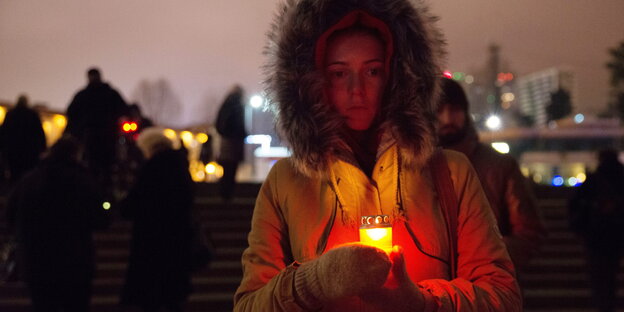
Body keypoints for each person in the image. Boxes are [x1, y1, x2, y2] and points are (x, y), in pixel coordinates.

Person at [234, 0, 521, 311]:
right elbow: (249, 304)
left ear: (397, 76)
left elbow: (501, 296)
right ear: (312, 82)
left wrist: (422, 302)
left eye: (372, 70)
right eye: (340, 73)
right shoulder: (286, 182)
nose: (357, 89)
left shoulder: (451, 173)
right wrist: (310, 283)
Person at [436, 78, 546, 270]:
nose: (447, 119)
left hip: (489, 289)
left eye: (454, 110)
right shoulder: (413, 166)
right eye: (438, 111)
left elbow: (529, 233)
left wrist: (485, 257)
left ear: (465, 113)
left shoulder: (500, 166)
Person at [6, 135, 106, 312]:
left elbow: (10, 213)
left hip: (36, 259)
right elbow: (100, 218)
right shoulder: (83, 181)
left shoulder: (30, 180)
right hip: (75, 260)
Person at [119, 128, 194, 312]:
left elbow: (137, 200)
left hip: (151, 239)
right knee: (172, 296)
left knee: (151, 295)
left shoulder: (152, 168)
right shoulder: (180, 167)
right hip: (176, 238)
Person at [569, 149, 624, 312]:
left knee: (600, 275)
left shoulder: (594, 179)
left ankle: (603, 304)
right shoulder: (621, 178)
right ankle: (609, 302)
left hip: (596, 234)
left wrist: (580, 228)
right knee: (611, 273)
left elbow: (575, 204)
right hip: (617, 232)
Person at [65, 67, 128, 195]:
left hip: (91, 138)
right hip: (108, 138)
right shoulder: (110, 93)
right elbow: (124, 109)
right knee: (107, 171)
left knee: (91, 169)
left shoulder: (83, 95)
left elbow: (71, 113)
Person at [0, 94, 46, 184]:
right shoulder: (33, 115)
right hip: (29, 152)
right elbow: (40, 134)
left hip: (13, 150)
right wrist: (42, 149)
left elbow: (3, 132)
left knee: (14, 174)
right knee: (26, 175)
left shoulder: (11, 114)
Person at [215, 85, 247, 201]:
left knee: (226, 169)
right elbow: (240, 124)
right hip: (234, 142)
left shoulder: (225, 105)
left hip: (226, 142)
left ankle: (224, 193)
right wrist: (242, 134)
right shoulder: (237, 105)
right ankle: (228, 194)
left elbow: (218, 124)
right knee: (232, 169)